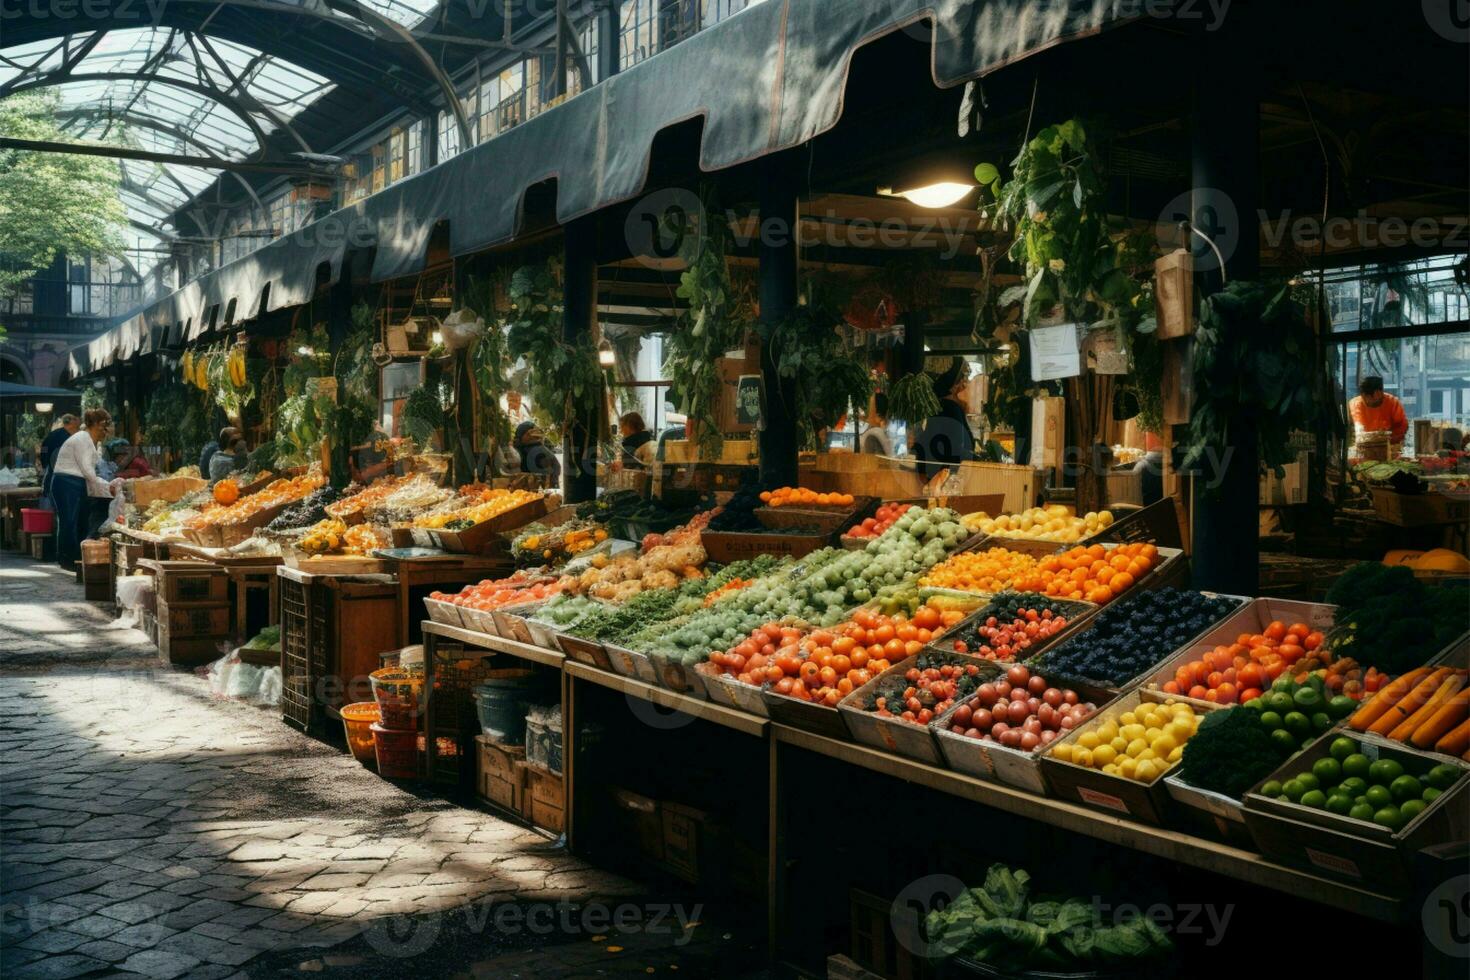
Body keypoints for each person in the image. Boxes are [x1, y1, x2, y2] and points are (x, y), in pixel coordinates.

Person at [50, 409, 119, 570]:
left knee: (79, 521)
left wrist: (106, 485)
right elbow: (88, 470)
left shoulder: (92, 441)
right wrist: (106, 486)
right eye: (103, 426)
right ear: (93, 424)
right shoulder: (82, 439)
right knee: (69, 521)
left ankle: (78, 558)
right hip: (66, 482)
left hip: (77, 483)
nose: (105, 430)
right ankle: (67, 560)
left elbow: (92, 470)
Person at [912, 358, 976, 477]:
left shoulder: (941, 406)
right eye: (964, 382)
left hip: (931, 472)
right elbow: (955, 448)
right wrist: (976, 458)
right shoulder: (951, 409)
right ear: (956, 386)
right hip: (943, 477)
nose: (967, 386)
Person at [1349, 376, 1407, 445]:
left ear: (1378, 393)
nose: (1365, 400)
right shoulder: (1354, 404)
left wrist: (1387, 439)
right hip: (1363, 448)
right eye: (1363, 397)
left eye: (1367, 397)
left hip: (1388, 447)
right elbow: (1352, 429)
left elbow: (1402, 426)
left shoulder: (1393, 403)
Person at [39, 414, 81, 500]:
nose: (78, 429)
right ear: (71, 423)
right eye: (77, 426)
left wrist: (45, 465)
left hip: (50, 476)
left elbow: (43, 451)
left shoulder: (50, 435)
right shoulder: (71, 439)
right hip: (67, 481)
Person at [514, 421, 562, 488]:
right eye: (529, 434)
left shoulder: (536, 449)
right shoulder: (522, 448)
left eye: (531, 433)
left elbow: (555, 468)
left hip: (544, 486)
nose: (532, 436)